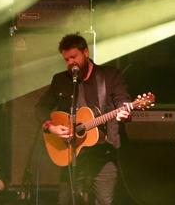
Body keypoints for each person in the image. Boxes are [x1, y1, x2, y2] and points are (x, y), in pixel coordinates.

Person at [35, 33, 132, 205]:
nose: (70, 62)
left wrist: (124, 111)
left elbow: (122, 100)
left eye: (74, 57)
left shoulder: (109, 76)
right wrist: (51, 127)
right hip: (72, 153)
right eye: (66, 59)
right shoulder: (61, 80)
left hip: (103, 154)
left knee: (105, 201)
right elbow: (41, 107)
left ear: (86, 52)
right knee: (65, 201)